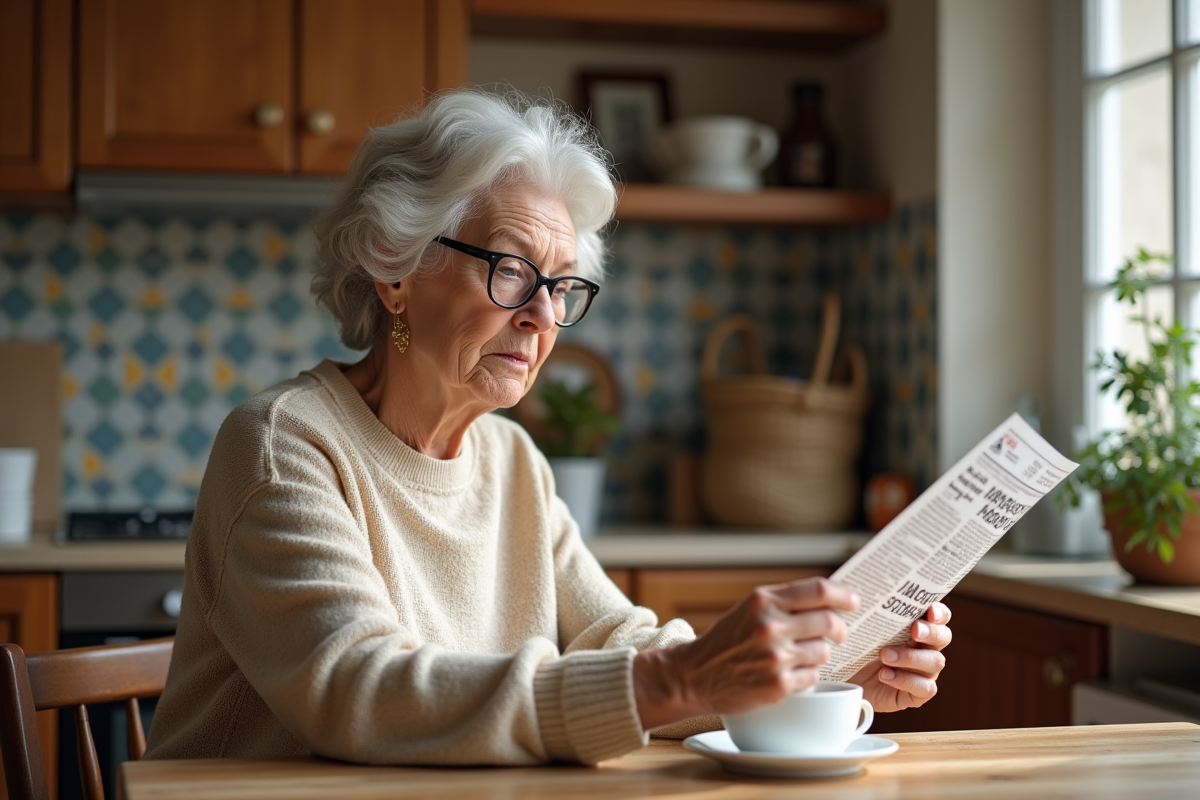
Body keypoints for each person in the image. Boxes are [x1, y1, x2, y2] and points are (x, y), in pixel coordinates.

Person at [145, 89, 951, 767]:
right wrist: (689, 678)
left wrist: (816, 685)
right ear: (395, 268)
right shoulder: (284, 444)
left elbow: (616, 639)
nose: (541, 316)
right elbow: (360, 691)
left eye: (561, 287)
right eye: (510, 270)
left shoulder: (511, 459)